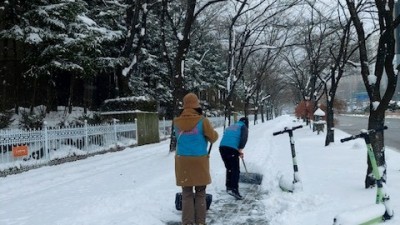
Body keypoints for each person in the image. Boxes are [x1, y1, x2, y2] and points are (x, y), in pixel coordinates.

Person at [174, 93, 219, 225]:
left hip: (182, 160)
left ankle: (187, 222)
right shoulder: (202, 120)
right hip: (199, 160)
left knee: (186, 193)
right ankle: (200, 222)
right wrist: (212, 132)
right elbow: (213, 138)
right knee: (200, 192)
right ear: (196, 105)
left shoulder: (176, 121)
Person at [219, 117, 249, 200]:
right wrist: (240, 148)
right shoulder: (243, 127)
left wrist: (238, 151)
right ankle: (234, 189)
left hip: (222, 147)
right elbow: (244, 138)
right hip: (231, 148)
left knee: (229, 168)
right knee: (235, 169)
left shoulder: (232, 126)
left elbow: (229, 137)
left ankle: (229, 187)